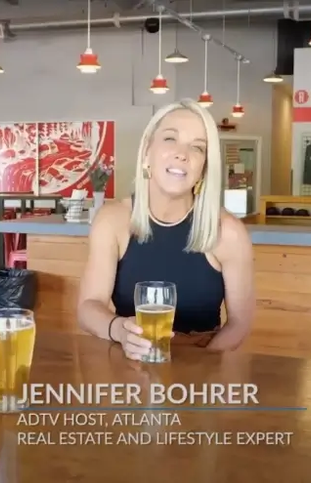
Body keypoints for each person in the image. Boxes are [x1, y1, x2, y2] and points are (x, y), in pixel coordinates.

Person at [77, 100, 255, 358]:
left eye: (197, 147)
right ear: (147, 150)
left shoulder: (228, 232)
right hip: (130, 366)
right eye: (171, 138)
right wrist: (119, 330)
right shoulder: (112, 220)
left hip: (201, 373)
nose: (183, 153)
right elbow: (87, 306)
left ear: (204, 168)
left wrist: (195, 368)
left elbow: (240, 324)